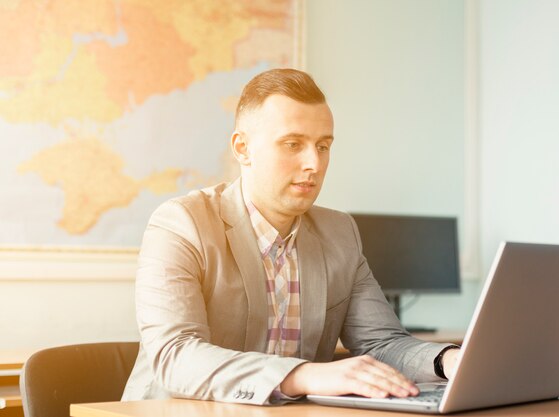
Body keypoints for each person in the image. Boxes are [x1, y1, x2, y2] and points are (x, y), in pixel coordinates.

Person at [121, 68, 460, 405]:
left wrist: (448, 361)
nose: (314, 163)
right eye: (292, 144)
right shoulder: (181, 223)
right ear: (242, 148)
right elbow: (177, 356)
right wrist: (302, 374)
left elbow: (381, 344)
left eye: (323, 146)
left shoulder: (339, 233)